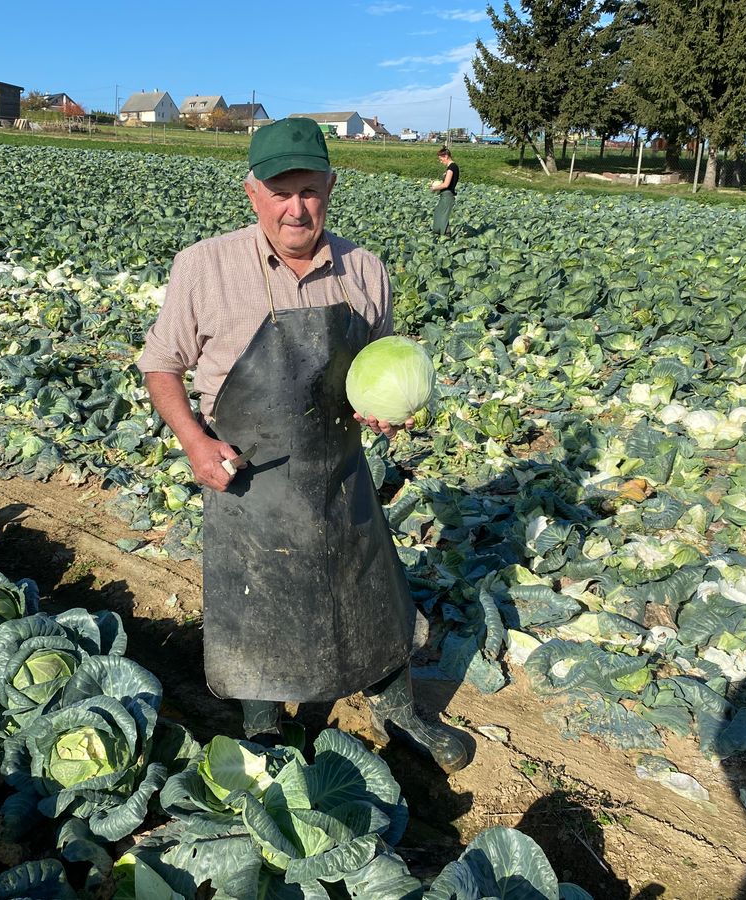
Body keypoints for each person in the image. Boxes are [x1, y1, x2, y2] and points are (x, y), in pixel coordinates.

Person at [137, 117, 468, 772]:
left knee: (371, 590)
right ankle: (264, 726)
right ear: (252, 192)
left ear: (330, 188)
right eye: (280, 192)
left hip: (339, 472)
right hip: (249, 479)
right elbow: (160, 364)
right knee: (258, 605)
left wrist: (381, 413)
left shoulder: (364, 271)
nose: (296, 209)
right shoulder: (204, 267)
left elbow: (372, 370)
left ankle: (397, 706)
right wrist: (194, 441)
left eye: (310, 191)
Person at [430, 146, 459, 236]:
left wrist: (434, 188)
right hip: (445, 196)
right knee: (440, 214)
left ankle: (445, 235)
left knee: (442, 216)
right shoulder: (452, 167)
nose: (440, 161)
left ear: (446, 156)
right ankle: (445, 235)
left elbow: (446, 184)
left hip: (447, 196)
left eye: (441, 159)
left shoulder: (451, 168)